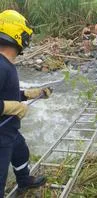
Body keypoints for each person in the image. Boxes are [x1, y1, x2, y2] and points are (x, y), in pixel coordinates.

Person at [0, 10, 52, 197]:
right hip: (1, 136)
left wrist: (31, 94)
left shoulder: (6, 63)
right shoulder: (1, 65)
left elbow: (7, 93)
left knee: (21, 151)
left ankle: (23, 180)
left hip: (9, 131)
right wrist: (13, 107)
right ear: (17, 35)